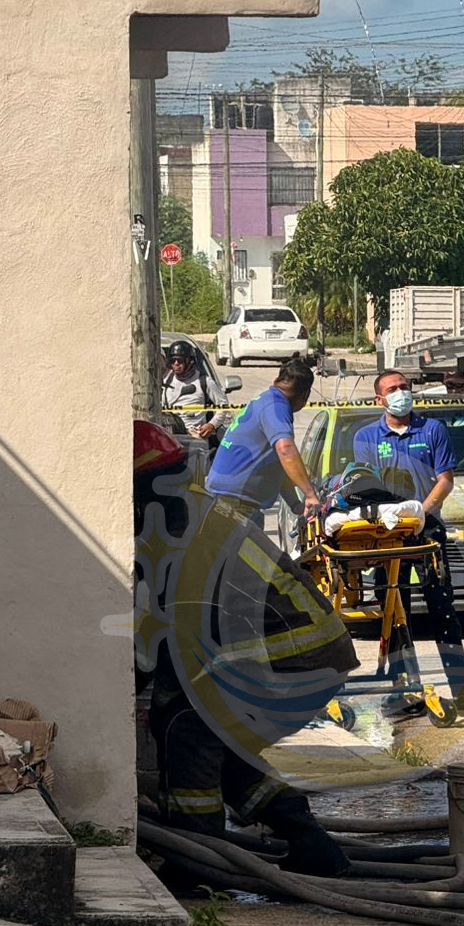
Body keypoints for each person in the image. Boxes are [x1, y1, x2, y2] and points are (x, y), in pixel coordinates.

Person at [151, 357, 353, 876]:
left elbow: (189, 627)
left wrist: (309, 496)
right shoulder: (196, 519)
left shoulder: (186, 534)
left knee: (188, 729)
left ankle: (197, 861)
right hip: (309, 648)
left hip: (295, 652)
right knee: (213, 728)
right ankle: (306, 839)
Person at [350, 369, 464, 716]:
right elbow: (365, 485)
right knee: (394, 614)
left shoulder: (432, 430)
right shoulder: (366, 437)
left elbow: (445, 479)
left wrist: (422, 512)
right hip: (386, 539)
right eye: (393, 389)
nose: (401, 392)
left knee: (442, 610)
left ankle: (461, 688)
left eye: (405, 387)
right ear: (379, 399)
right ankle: (404, 690)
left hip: (428, 532)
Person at [160, 339, 231, 444]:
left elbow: (223, 406)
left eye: (179, 361)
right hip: (171, 438)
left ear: (190, 361)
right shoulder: (165, 381)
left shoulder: (204, 382)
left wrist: (211, 425)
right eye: (172, 361)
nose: (176, 364)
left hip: (195, 438)